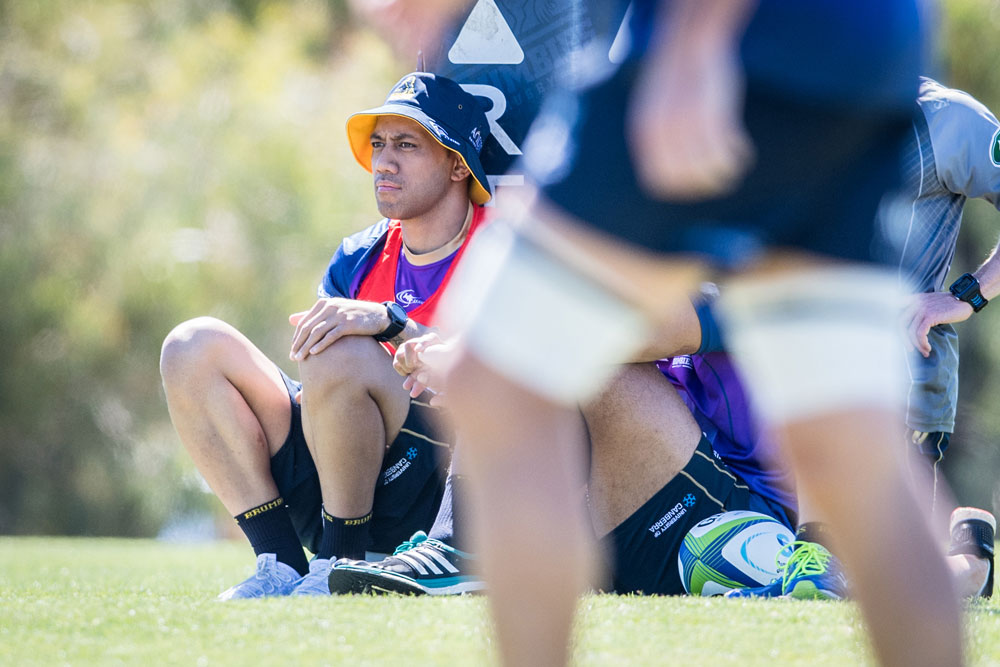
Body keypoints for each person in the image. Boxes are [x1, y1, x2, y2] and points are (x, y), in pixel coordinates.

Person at [353, 1, 963, 666]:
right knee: (847, 447)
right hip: (864, 52)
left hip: (726, 46)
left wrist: (695, 39)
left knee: (492, 376)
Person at [158, 71, 492, 598]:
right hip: (343, 476)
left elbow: (520, 370)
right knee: (191, 347)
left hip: (445, 495)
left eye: (407, 145)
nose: (384, 161)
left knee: (343, 352)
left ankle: (341, 561)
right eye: (379, 144)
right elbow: (321, 385)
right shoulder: (358, 255)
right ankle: (283, 564)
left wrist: (391, 321)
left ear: (457, 164)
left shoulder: (502, 245)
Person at [327, 299, 798, 597]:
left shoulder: (739, 263)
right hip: (635, 510)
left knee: (589, 357)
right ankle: (457, 547)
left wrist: (476, 354)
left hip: (741, 521)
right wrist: (417, 340)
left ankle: (460, 548)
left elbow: (620, 333)